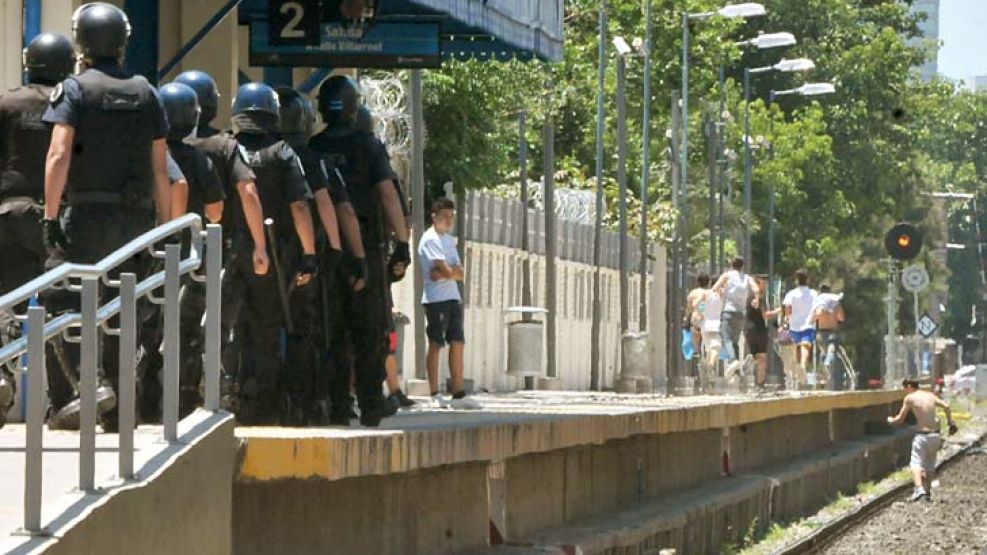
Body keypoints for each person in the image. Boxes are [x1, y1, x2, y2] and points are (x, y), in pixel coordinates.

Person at [42, 3, 173, 431]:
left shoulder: (74, 90)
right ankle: (121, 410)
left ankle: (90, 385)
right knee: (125, 309)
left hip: (87, 216)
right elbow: (160, 168)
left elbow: (60, 153)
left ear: (82, 41)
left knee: (68, 302)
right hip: (135, 221)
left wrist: (50, 215)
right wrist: (167, 228)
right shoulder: (146, 92)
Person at [309, 75, 410, 427]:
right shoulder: (368, 146)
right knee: (369, 331)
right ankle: (370, 402)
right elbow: (387, 193)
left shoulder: (313, 147)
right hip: (366, 247)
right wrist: (402, 243)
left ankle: (337, 403)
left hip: (327, 252)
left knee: (332, 328)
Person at [224, 83, 317, 425]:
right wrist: (309, 255)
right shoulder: (282, 152)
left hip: (227, 250)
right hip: (273, 254)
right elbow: (299, 206)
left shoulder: (226, 147)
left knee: (226, 326)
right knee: (266, 330)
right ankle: (262, 408)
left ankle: (224, 396)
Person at [178, 70, 268, 411]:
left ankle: (176, 393)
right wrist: (260, 245)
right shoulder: (225, 144)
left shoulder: (160, 146)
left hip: (165, 249)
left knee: (173, 323)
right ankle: (217, 392)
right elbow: (247, 190)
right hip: (217, 248)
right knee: (219, 323)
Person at [0, 32, 76, 428]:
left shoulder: (7, 102)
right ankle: (66, 399)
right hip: (50, 215)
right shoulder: (69, 103)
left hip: (5, 211)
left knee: (4, 300)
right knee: (56, 303)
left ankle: (1, 375)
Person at [276, 86, 365, 425]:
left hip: (264, 254)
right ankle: (307, 401)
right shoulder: (313, 160)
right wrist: (341, 252)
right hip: (305, 254)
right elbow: (335, 206)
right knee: (311, 328)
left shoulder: (253, 152)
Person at [160, 82, 225, 417]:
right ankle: (184, 400)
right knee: (187, 330)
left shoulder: (151, 154)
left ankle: (145, 399)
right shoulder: (199, 159)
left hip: (149, 256)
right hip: (190, 257)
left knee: (147, 327)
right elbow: (215, 211)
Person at [418, 197, 479, 409]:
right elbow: (439, 271)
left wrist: (447, 272)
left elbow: (459, 272)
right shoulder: (430, 239)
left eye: (451, 217)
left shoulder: (448, 240)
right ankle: (434, 392)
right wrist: (447, 272)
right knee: (436, 343)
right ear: (434, 216)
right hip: (436, 299)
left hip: (452, 297)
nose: (448, 221)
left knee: (457, 342)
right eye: (444, 216)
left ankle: (459, 393)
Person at [887, 378, 958, 501]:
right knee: (930, 464)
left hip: (922, 435)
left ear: (909, 386)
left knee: (916, 463)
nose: (905, 391)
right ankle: (927, 493)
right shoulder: (930, 395)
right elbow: (946, 406)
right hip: (936, 436)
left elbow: (900, 419)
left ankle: (919, 489)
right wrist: (950, 423)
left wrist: (891, 420)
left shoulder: (910, 398)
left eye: (905, 388)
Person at [712, 257, 759, 373]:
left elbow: (714, 287)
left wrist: (722, 292)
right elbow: (756, 289)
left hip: (728, 310)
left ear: (731, 265)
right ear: (742, 266)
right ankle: (736, 368)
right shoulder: (747, 278)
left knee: (726, 337)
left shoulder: (727, 275)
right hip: (741, 313)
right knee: (735, 340)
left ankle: (733, 360)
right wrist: (756, 299)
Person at [782, 269, 818, 389]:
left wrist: (787, 318)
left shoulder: (791, 294)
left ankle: (798, 372)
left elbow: (787, 308)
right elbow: (818, 308)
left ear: (797, 280)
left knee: (797, 348)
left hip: (794, 326)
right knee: (805, 346)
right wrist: (815, 318)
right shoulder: (813, 293)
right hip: (808, 325)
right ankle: (802, 366)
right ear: (807, 279)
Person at [813, 284, 846, 390]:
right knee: (831, 352)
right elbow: (841, 318)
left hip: (821, 333)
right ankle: (827, 366)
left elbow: (817, 315)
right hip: (832, 331)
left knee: (824, 352)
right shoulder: (835, 303)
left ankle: (823, 376)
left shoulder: (819, 302)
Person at [697, 279, 723, 391]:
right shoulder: (722, 295)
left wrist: (702, 314)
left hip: (705, 325)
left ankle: (707, 376)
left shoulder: (705, 294)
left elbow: (699, 306)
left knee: (709, 349)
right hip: (717, 324)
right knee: (716, 347)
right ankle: (710, 365)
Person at [684, 274, 710, 358]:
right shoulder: (709, 293)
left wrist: (686, 318)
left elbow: (689, 308)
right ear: (708, 282)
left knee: (696, 337)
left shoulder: (692, 293)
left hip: (695, 319)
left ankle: (697, 351)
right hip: (706, 319)